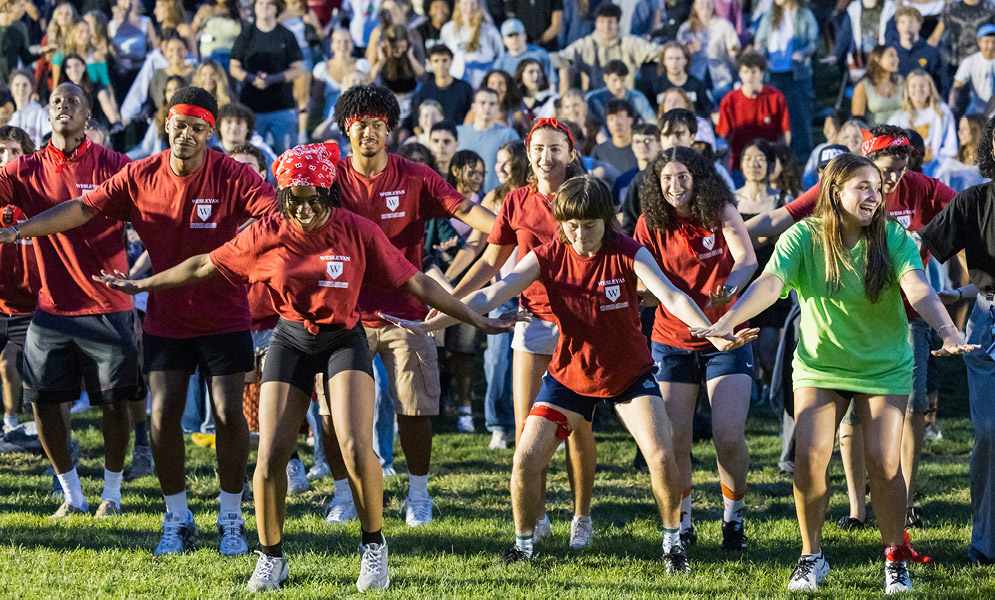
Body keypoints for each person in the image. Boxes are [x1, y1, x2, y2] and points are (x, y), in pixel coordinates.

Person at [92, 142, 517, 593]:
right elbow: (202, 266)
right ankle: (271, 558)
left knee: (355, 447)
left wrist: (474, 317)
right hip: (291, 337)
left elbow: (415, 280)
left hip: (343, 340)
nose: (307, 209)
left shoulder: (358, 230)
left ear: (330, 193)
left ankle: (374, 547)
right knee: (271, 455)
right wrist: (142, 283)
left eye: (316, 198)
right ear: (283, 198)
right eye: (296, 200)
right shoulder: (268, 231)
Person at [383, 174, 756, 570]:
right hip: (569, 376)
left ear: (607, 221)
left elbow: (671, 296)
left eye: (588, 227)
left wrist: (714, 332)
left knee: (662, 455)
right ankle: (523, 547)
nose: (579, 236)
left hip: (628, 373)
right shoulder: (548, 254)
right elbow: (493, 292)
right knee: (525, 458)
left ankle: (673, 545)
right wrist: (433, 323)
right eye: (570, 226)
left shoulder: (628, 250)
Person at [6, 87, 279, 556]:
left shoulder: (231, 173)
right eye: (180, 126)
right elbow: (81, 210)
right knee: (161, 415)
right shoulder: (139, 175)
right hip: (166, 317)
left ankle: (231, 518)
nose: (187, 136)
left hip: (223, 314)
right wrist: (21, 229)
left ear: (210, 133)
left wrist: (248, 249)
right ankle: (177, 517)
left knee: (229, 413)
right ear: (166, 125)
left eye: (198, 129)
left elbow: (273, 213)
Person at [692, 152, 974, 592]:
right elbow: (769, 284)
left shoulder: (893, 237)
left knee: (883, 463)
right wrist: (726, 322)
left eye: (878, 188)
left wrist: (946, 329)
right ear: (835, 190)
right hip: (821, 365)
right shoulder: (803, 237)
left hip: (884, 364)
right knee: (808, 460)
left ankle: (894, 555)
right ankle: (811, 556)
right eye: (863, 186)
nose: (874, 196)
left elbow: (919, 287)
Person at [745, 125, 957, 534]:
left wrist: (948, 324)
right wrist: (734, 238)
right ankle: (834, 532)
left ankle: (899, 530)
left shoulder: (903, 218)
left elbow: (924, 277)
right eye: (875, 178)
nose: (885, 186)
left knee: (893, 444)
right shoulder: (810, 229)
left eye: (896, 172)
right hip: (827, 355)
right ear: (838, 187)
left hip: (896, 337)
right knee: (822, 449)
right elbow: (772, 266)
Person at [323, 84, 498, 528]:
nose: (368, 133)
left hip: (406, 309)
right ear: (347, 129)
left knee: (415, 409)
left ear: (390, 129)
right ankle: (342, 495)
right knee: (332, 413)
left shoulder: (416, 175)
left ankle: (418, 494)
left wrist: (516, 231)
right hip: (344, 315)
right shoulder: (331, 179)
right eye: (360, 125)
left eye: (377, 125)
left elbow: (468, 212)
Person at [449, 118, 598, 550]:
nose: (545, 157)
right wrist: (453, 301)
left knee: (578, 428)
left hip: (580, 323)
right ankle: (540, 512)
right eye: (537, 149)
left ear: (570, 153)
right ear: (527, 154)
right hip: (530, 319)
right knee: (526, 426)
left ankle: (581, 516)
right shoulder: (516, 201)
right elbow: (489, 264)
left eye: (554, 149)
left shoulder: (586, 195)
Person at [0, 83, 137, 519]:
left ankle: (111, 494)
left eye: (73, 101)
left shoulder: (116, 165)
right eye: (56, 101)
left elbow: (152, 211)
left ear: (89, 116)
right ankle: (73, 495)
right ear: (46, 116)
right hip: (52, 309)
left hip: (109, 305)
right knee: (41, 404)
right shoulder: (23, 169)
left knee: (116, 406)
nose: (63, 106)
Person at [634, 146, 757, 551]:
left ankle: (733, 518)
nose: (674, 186)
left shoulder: (719, 209)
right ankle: (683, 522)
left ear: (698, 179)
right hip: (672, 340)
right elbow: (645, 281)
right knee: (674, 440)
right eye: (665, 179)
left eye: (682, 177)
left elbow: (746, 258)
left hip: (726, 334)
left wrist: (731, 287)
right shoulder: (649, 223)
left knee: (727, 435)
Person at [919, 113, 995, 565]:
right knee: (989, 432)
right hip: (988, 323)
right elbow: (919, 244)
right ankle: (985, 541)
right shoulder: (972, 200)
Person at [230, 0, 305, 154]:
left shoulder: (286, 35)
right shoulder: (245, 35)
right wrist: (252, 78)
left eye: (269, 4)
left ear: (276, 8)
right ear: (255, 7)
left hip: (282, 107)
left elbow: (297, 69)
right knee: (249, 156)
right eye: (260, 3)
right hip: (251, 108)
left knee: (288, 157)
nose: (264, 7)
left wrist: (272, 79)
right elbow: (234, 67)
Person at [0, 126, 36, 435]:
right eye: (1, 152)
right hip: (2, 302)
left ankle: (43, 432)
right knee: (5, 362)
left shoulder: (38, 197)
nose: (6, 158)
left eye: (14, 151)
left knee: (22, 366)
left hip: (35, 304)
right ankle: (10, 423)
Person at [753, 0, 818, 161]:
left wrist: (803, 53)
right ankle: (775, 154)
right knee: (774, 115)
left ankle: (802, 156)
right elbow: (760, 39)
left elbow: (813, 42)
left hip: (796, 73)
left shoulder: (805, 15)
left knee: (799, 115)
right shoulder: (770, 15)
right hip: (772, 73)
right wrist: (759, 49)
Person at [553, 3, 660, 96]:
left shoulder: (629, 42)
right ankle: (563, 111)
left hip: (625, 99)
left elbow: (656, 52)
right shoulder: (587, 44)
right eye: (602, 22)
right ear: (596, 24)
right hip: (595, 100)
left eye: (610, 22)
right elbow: (561, 57)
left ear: (618, 24)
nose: (606, 26)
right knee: (564, 65)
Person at [716, 52, 790, 173]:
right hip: (738, 165)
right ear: (740, 74)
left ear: (761, 73)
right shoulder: (729, 100)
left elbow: (785, 133)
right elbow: (724, 137)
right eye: (745, 72)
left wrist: (781, 160)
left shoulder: (776, 97)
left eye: (753, 71)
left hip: (769, 163)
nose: (749, 76)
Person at [887, 70, 958, 175]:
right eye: (913, 86)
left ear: (930, 88)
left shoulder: (942, 112)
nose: (918, 90)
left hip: (939, 169)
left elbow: (950, 147)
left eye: (922, 85)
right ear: (907, 90)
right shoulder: (898, 118)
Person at [457, 88, 519, 194]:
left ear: (497, 108)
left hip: (498, 199)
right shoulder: (458, 132)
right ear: (474, 107)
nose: (487, 108)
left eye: (492, 104)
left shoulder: (508, 134)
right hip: (462, 198)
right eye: (482, 103)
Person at [676, 0, 740, 101]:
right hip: (696, 77)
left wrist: (734, 51)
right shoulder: (685, 29)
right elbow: (677, 52)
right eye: (701, 3)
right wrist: (687, 51)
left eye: (708, 3)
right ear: (695, 6)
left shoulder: (724, 25)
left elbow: (734, 48)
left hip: (721, 80)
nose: (705, 6)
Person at [638, 41, 714, 119]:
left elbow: (709, 111)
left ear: (685, 60)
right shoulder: (654, 86)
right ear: (664, 61)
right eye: (670, 58)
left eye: (678, 58)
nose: (674, 62)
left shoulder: (697, 84)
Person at [438, 0, 503, 88]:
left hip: (483, 85)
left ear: (478, 5)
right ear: (459, 5)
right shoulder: (448, 29)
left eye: (472, 4)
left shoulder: (490, 31)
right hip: (456, 83)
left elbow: (500, 58)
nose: (469, 8)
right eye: (465, 4)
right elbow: (442, 56)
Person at [410, 44, 474, 126]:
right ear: (430, 64)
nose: (441, 65)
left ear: (451, 61)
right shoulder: (424, 90)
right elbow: (416, 123)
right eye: (436, 61)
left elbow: (471, 116)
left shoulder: (465, 88)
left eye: (444, 60)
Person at [492, 18, 557, 89]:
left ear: (524, 35)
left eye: (517, 34)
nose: (514, 39)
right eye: (510, 35)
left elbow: (552, 83)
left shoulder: (540, 54)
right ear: (503, 40)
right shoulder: (500, 63)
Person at [584, 60, 655, 124]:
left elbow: (651, 121)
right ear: (606, 78)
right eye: (614, 80)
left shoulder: (637, 98)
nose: (619, 85)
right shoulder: (593, 98)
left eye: (622, 80)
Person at [894, 7, 945, 91]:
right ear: (897, 26)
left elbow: (941, 86)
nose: (907, 26)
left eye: (911, 22)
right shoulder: (891, 53)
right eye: (903, 22)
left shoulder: (932, 53)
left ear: (919, 25)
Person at [934, 113, 989, 189]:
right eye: (959, 128)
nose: (960, 132)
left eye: (965, 128)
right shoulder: (952, 161)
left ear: (977, 130)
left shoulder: (987, 165)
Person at [851, 46, 904, 126]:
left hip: (900, 134)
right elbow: (857, 121)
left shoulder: (901, 81)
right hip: (876, 135)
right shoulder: (863, 86)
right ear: (878, 59)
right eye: (891, 55)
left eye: (896, 56)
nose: (897, 59)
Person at [950, 24, 995, 115]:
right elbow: (957, 86)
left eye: (993, 42)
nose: (990, 46)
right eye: (986, 42)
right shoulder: (970, 61)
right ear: (979, 43)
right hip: (976, 110)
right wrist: (952, 105)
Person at [591, 99, 637, 175]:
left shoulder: (641, 148)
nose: (616, 123)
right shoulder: (599, 151)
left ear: (630, 120)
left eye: (620, 117)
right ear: (607, 123)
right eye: (611, 119)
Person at [8, 69, 51, 147]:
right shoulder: (5, 112)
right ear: (11, 88)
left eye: (25, 85)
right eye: (17, 85)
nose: (21, 88)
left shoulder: (39, 112)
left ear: (31, 88)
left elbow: (49, 136)